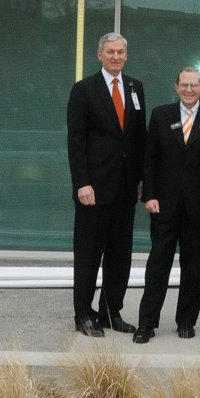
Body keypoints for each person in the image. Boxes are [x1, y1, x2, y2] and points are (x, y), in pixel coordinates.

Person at [132, 66, 200, 343]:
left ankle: (186, 321)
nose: (189, 90)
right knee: (157, 265)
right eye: (184, 85)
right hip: (164, 205)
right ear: (176, 87)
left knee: (195, 267)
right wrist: (148, 195)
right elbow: (150, 159)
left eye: (194, 85)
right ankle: (146, 324)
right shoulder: (161, 115)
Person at [65, 32, 146, 336]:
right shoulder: (84, 90)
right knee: (88, 254)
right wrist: (82, 183)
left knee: (120, 255)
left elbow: (138, 139)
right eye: (110, 51)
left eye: (121, 51)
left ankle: (111, 312)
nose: (116, 56)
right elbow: (76, 142)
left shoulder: (136, 87)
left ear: (126, 55)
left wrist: (141, 181)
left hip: (125, 189)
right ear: (99, 55)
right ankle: (83, 314)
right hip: (94, 190)